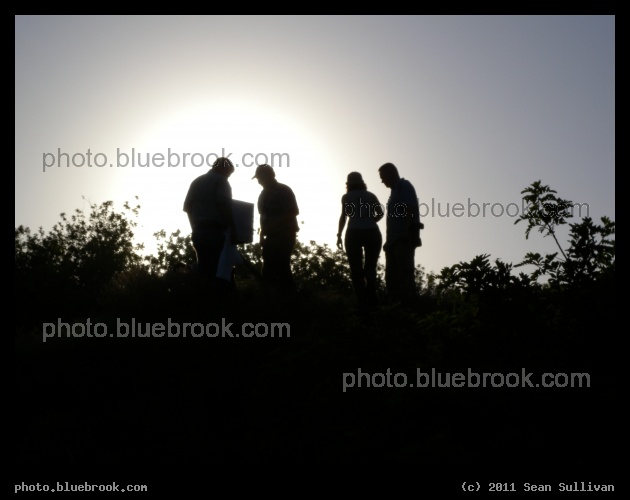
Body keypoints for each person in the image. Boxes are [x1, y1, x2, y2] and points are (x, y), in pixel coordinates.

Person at [183, 157, 238, 296]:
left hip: (199, 232)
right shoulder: (221, 181)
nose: (228, 176)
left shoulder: (196, 181)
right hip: (216, 233)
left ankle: (206, 304)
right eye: (229, 173)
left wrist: (195, 227)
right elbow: (224, 204)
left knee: (205, 271)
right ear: (223, 168)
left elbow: (187, 208)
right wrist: (233, 229)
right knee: (222, 272)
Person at [336, 172, 384, 311]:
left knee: (356, 270)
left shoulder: (346, 197)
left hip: (353, 233)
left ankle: (362, 303)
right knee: (370, 268)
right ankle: (373, 300)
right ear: (362, 183)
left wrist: (339, 235)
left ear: (348, 184)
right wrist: (370, 221)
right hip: (372, 232)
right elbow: (380, 213)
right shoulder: (371, 195)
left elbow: (343, 217)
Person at [378, 162, 422, 304]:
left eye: (383, 177)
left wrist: (406, 233)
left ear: (391, 174)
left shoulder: (404, 187)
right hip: (393, 241)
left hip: (403, 239)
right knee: (391, 278)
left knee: (404, 275)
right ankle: (395, 307)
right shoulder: (394, 192)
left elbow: (409, 209)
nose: (382, 181)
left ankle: (408, 307)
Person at [252, 164, 300, 295]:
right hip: (270, 237)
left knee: (282, 267)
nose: (258, 181)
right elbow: (263, 217)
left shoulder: (284, 190)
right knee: (268, 270)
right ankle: (271, 300)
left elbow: (294, 211)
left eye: (260, 178)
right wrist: (261, 236)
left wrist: (276, 224)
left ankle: (290, 300)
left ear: (268, 176)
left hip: (285, 235)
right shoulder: (262, 195)